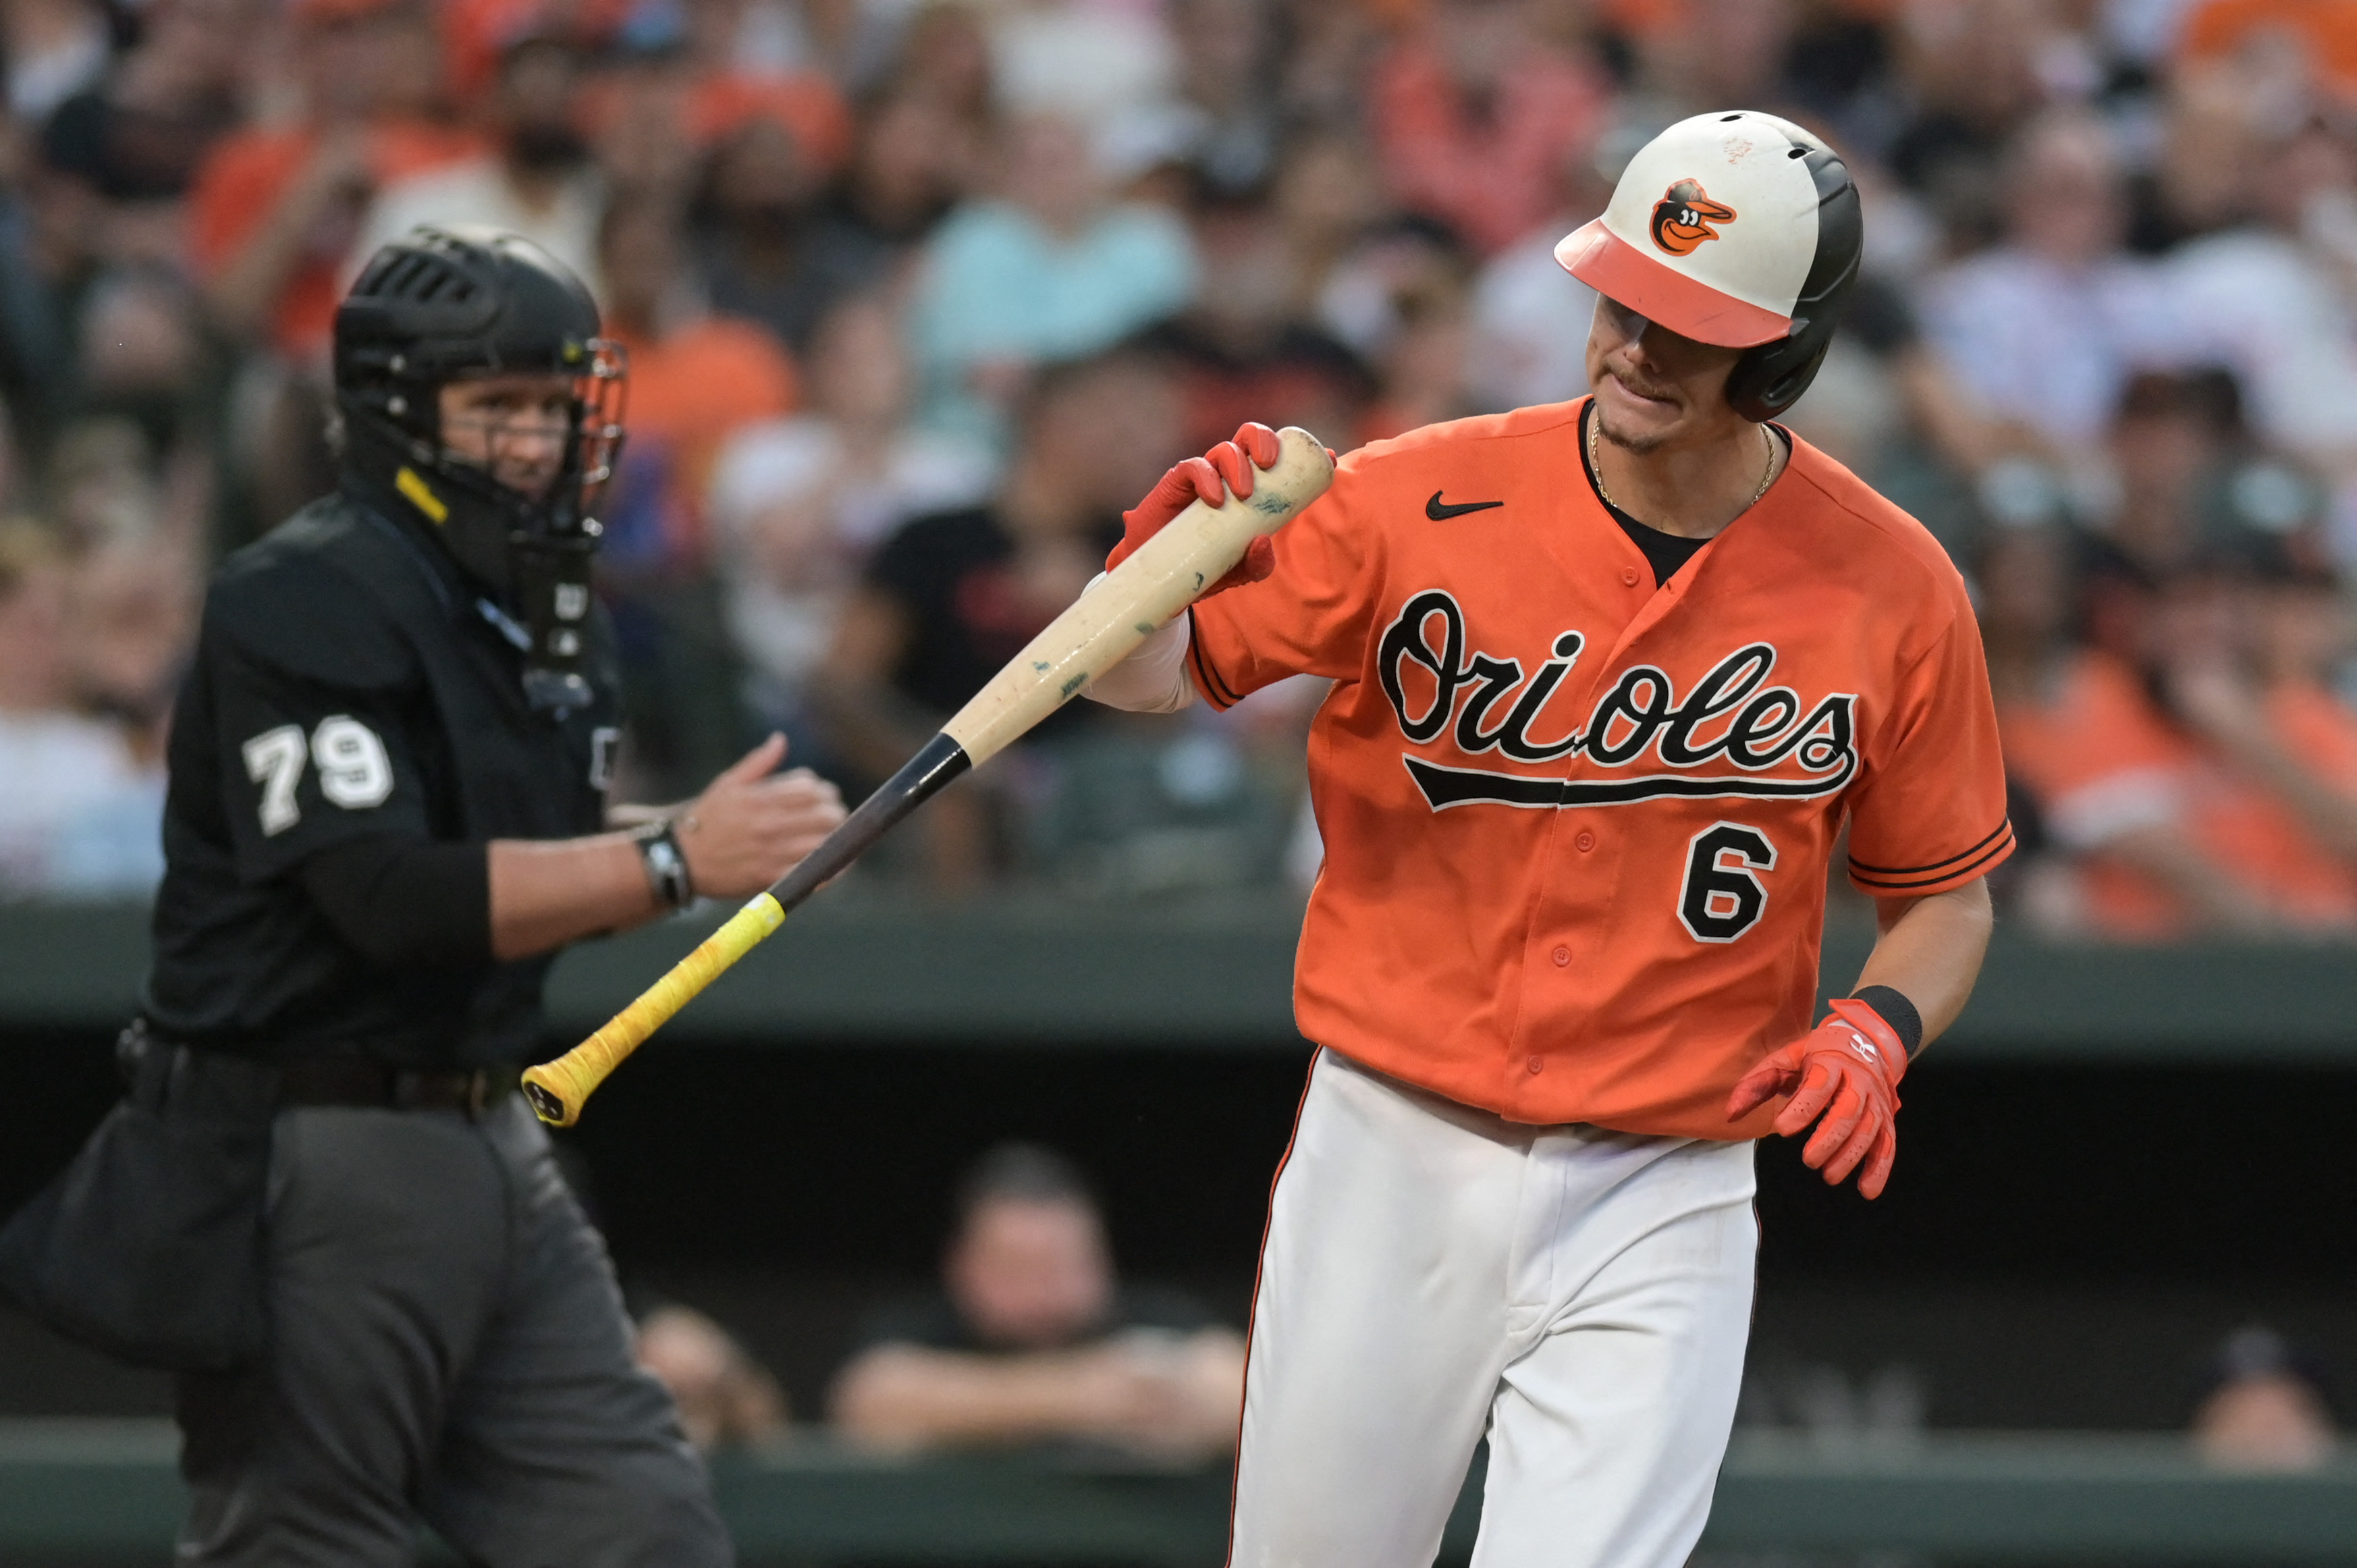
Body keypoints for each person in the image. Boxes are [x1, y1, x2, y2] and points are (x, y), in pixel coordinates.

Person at [1083, 112, 2010, 1567]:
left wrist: (1877, 1032)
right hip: (1393, 1139)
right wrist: (1137, 586)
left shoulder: (1895, 585)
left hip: (1671, 1174)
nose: (1636, 346)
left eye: (1688, 328)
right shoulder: (1413, 494)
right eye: (1622, 303)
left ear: (1784, 351)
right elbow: (1149, 677)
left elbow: (1948, 897)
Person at [104, 226, 842, 1563]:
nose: (536, 439)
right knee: (306, 1540)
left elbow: (533, 842)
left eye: (555, 405)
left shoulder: (533, 608)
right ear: (398, 418)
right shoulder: (303, 598)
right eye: (494, 405)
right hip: (303, 1133)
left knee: (641, 1533)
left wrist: (702, 837)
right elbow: (384, 892)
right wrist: (677, 860)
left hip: (493, 1134)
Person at [830, 1143, 1244, 1458]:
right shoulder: (924, 1326)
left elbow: (1243, 1386)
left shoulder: (1152, 1316)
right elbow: (869, 1400)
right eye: (1017, 1269)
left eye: (1063, 1266)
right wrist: (1079, 1396)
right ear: (963, 1267)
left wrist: (1175, 1396)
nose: (1044, 1294)